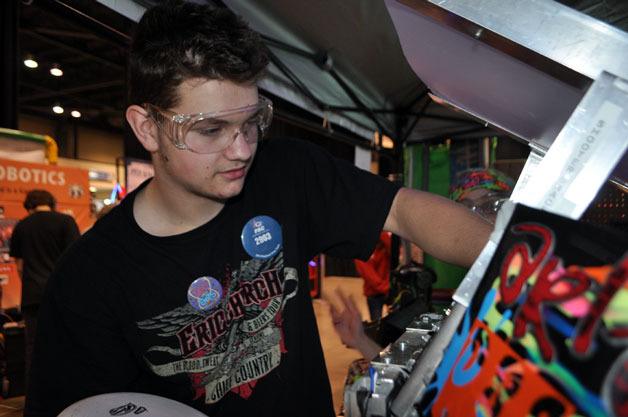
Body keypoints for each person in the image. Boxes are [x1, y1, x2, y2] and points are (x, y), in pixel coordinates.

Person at [25, 2, 491, 416]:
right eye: (210, 130)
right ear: (147, 128)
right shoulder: (89, 281)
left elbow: (406, 211)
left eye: (251, 123)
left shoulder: (286, 173)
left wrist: (528, 265)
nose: (242, 150)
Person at [8, 189, 80, 388]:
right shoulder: (66, 222)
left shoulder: (22, 226)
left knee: (34, 348)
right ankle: (66, 393)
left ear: (29, 207)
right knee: (66, 344)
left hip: (32, 296)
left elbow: (20, 266)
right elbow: (75, 261)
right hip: (63, 296)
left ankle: (34, 399)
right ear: (52, 203)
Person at [354, 231, 391, 321]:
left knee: (394, 322)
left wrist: (382, 233)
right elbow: (370, 276)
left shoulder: (385, 247)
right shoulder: (361, 251)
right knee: (376, 325)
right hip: (374, 294)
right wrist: (387, 287)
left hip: (389, 290)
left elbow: (395, 251)